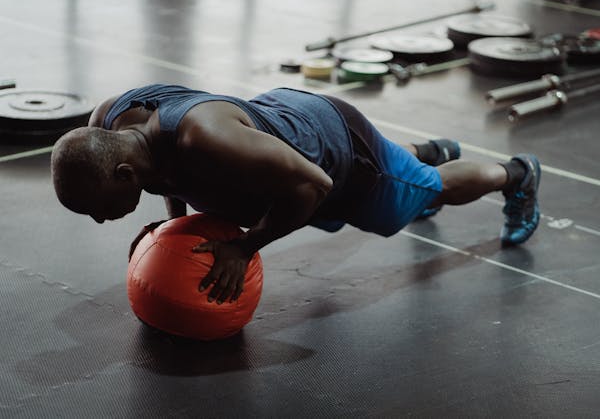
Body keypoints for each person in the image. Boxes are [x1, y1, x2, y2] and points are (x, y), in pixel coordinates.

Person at [51, 84, 541, 305]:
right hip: (282, 130)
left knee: (422, 194)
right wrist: (173, 225)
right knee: (389, 174)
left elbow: (315, 186)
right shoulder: (113, 121)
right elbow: (167, 173)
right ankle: (427, 151)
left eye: (96, 209)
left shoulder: (205, 140)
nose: (99, 221)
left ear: (121, 173)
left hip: (339, 153)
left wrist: (244, 249)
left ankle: (516, 175)